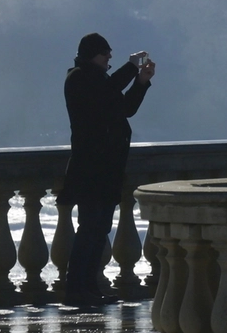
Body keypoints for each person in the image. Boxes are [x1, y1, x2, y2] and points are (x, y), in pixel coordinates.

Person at [57, 32, 155, 306]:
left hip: (108, 168)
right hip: (90, 168)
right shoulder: (78, 77)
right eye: (104, 53)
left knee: (99, 231)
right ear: (91, 54)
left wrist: (141, 82)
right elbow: (106, 90)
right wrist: (131, 67)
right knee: (88, 230)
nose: (109, 57)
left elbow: (125, 108)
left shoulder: (100, 81)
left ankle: (89, 286)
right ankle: (76, 288)